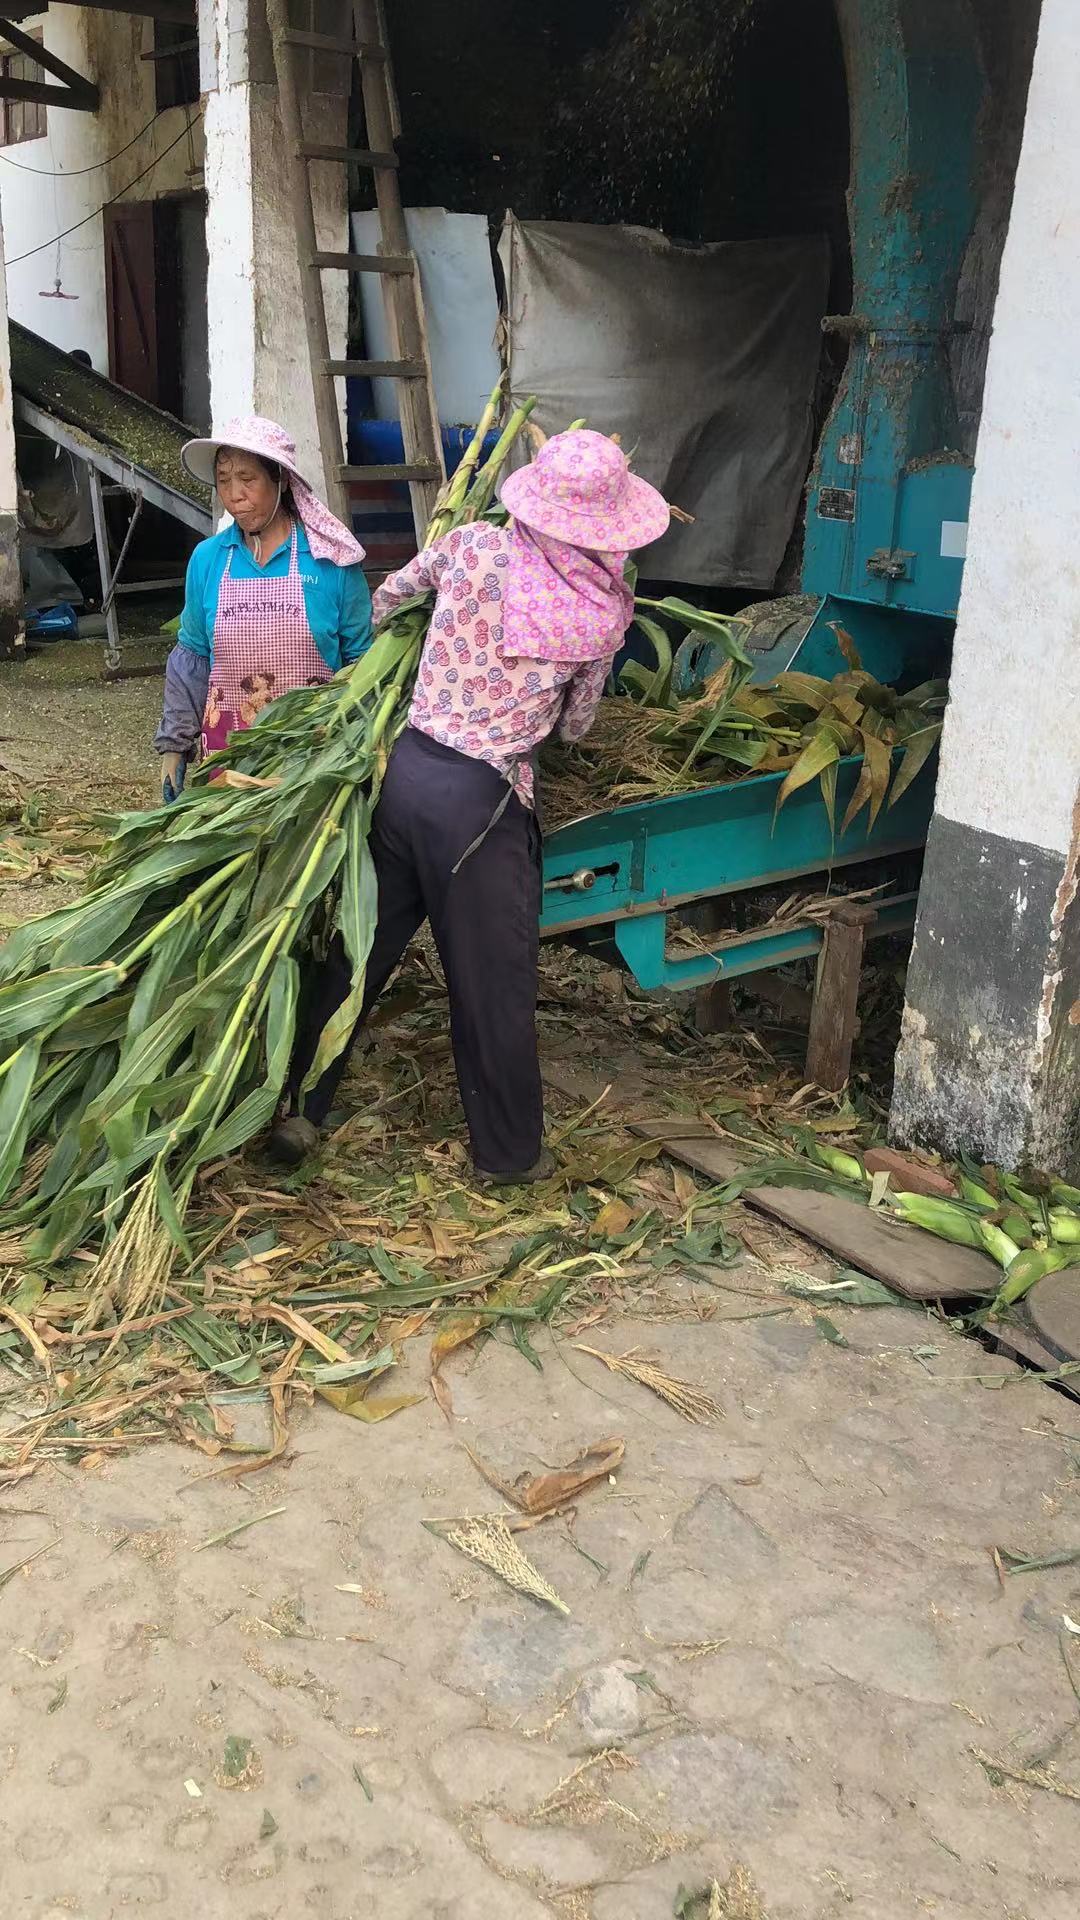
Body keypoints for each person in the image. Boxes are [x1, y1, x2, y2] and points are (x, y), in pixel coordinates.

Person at [269, 428, 670, 1185]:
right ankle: (510, 1158)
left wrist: (423, 659)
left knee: (358, 954)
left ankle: (294, 1106)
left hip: (408, 776)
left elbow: (390, 598)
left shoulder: (473, 545)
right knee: (492, 984)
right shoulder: (598, 615)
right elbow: (577, 726)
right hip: (479, 808)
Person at [154, 416, 372, 790]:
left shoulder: (329, 561)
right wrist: (174, 747)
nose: (234, 494)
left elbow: (363, 662)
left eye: (248, 479)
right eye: (223, 480)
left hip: (311, 758)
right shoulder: (209, 559)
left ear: (281, 481)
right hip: (228, 761)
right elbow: (192, 657)